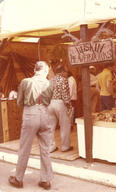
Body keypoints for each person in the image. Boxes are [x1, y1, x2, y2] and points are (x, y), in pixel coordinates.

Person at [8, 61, 53, 190]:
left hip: (30, 113)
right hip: (44, 114)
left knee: (25, 148)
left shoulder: (26, 82)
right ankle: (46, 180)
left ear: (35, 70)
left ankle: (18, 178)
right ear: (44, 71)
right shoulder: (48, 83)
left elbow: (19, 102)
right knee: (45, 149)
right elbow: (48, 101)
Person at [48, 64, 73, 153]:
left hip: (50, 103)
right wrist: (69, 106)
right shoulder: (63, 80)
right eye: (66, 71)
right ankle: (65, 146)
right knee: (65, 125)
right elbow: (65, 95)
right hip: (60, 103)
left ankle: (51, 147)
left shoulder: (51, 80)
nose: (67, 73)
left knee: (51, 127)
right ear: (62, 72)